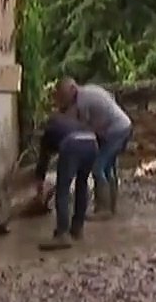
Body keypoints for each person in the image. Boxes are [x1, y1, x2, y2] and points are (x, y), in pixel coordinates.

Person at [54, 78, 134, 216]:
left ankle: (103, 209)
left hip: (115, 130)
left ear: (72, 89)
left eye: (64, 96)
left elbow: (84, 129)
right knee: (108, 168)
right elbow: (110, 98)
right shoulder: (89, 90)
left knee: (98, 167)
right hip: (123, 125)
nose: (64, 99)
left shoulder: (82, 101)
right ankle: (111, 207)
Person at [33, 111, 99, 250]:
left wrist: (39, 191)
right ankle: (77, 228)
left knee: (62, 189)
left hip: (72, 143)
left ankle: (62, 234)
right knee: (82, 183)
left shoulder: (49, 132)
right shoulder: (71, 123)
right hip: (92, 142)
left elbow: (43, 162)